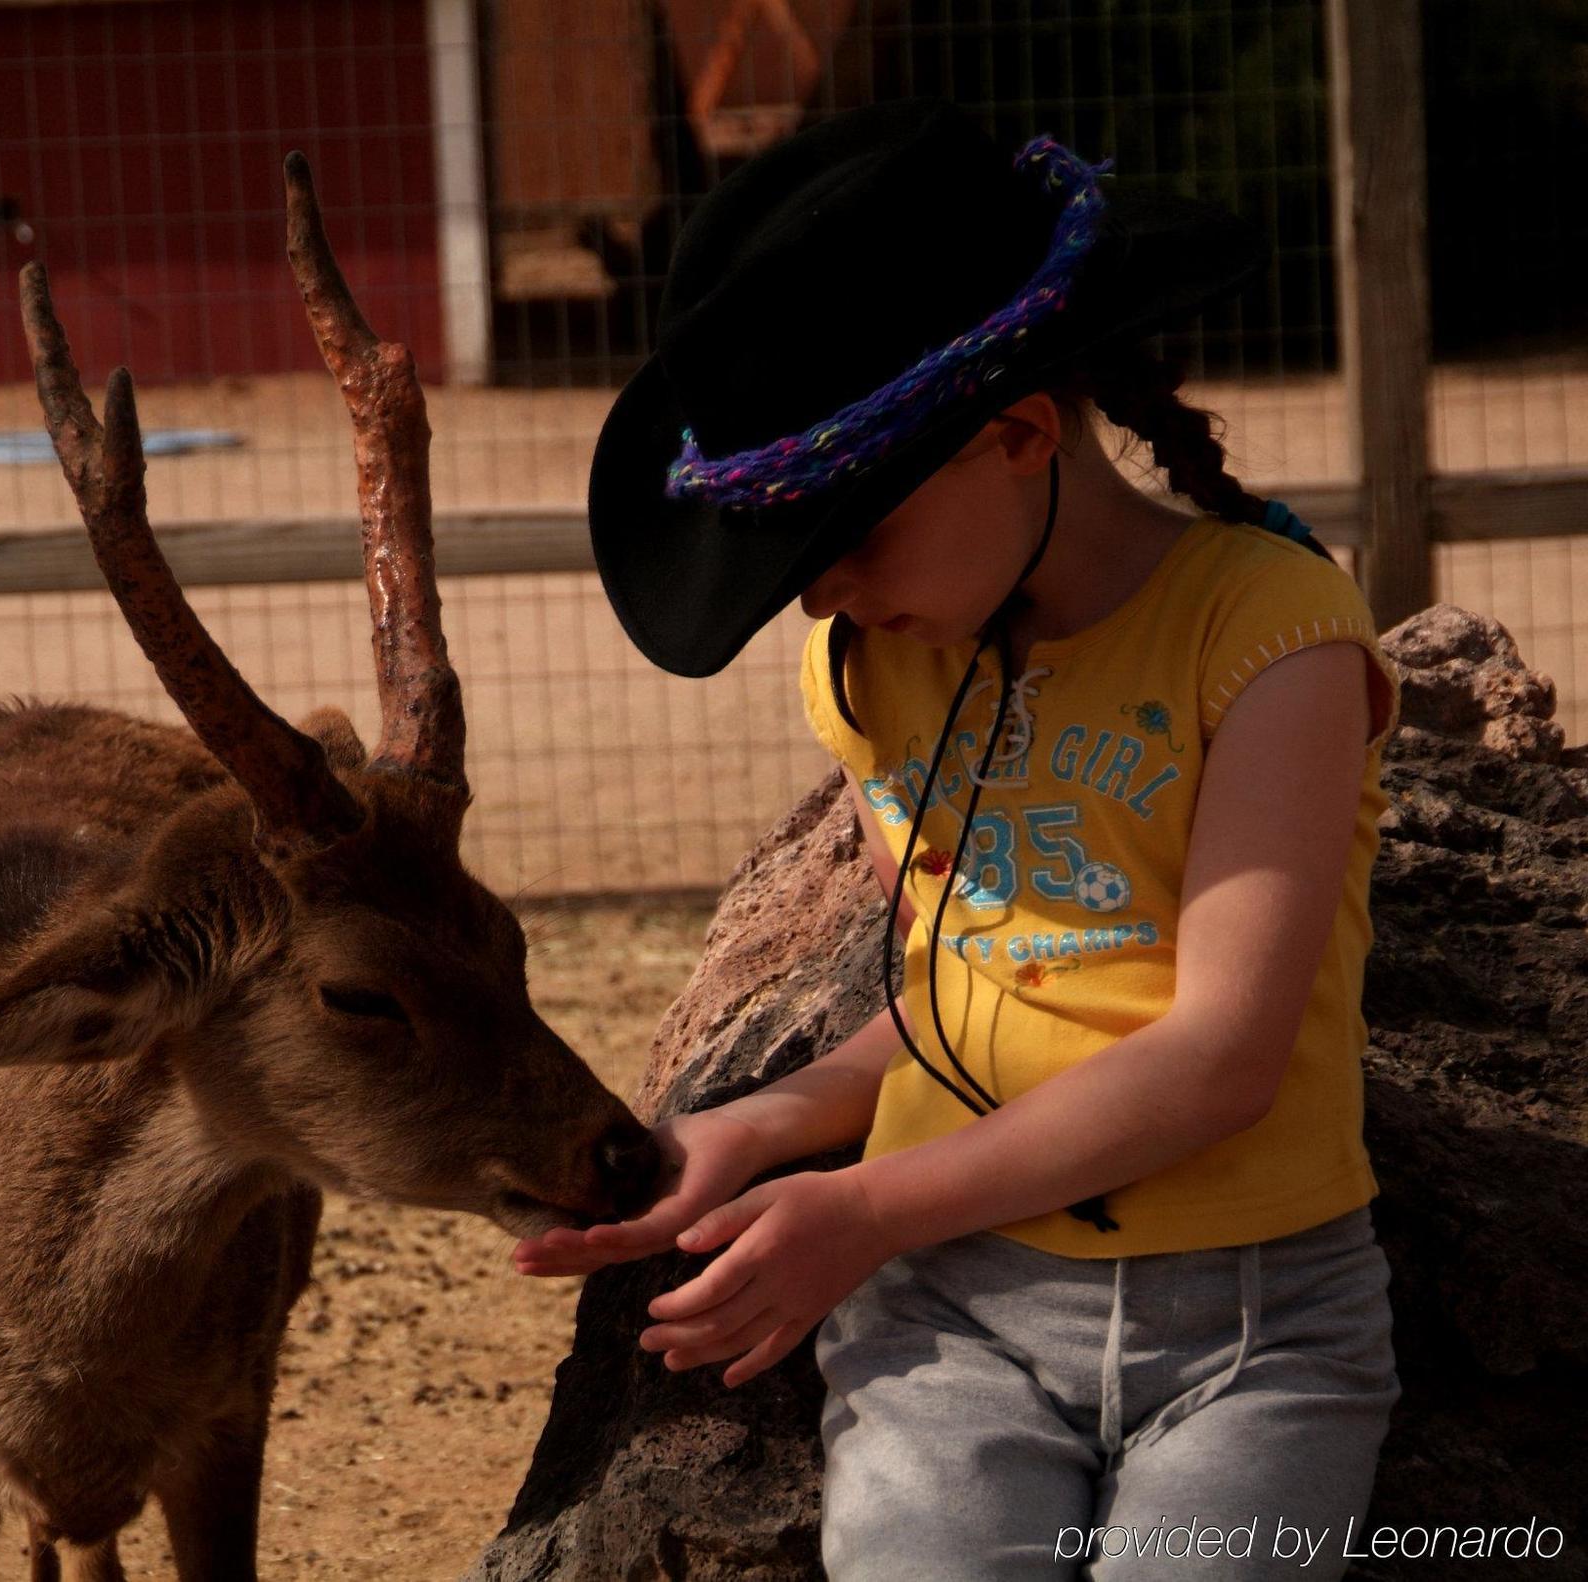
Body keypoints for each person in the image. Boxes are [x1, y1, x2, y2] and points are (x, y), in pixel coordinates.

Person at [512, 98, 1404, 1579]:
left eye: (846, 535)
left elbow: (1223, 1053)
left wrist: (861, 1208)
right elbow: (949, 997)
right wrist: (756, 1127)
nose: (814, 599)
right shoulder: (877, 663)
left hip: (1253, 1329)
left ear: (1017, 433)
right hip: (953, 1315)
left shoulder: (1269, 633)